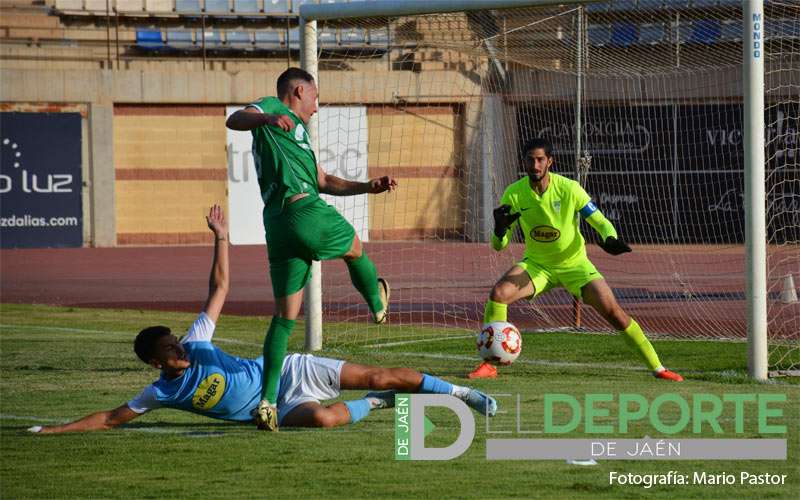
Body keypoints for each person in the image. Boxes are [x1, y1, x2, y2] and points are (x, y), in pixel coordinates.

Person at [29, 206, 496, 434]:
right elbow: (111, 418)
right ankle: (380, 404)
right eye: (171, 349)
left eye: (177, 340)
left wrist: (221, 237)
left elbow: (219, 289)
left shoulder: (198, 341)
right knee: (326, 420)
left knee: (378, 370)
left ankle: (465, 393)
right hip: (271, 411)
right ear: (157, 364)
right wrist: (52, 430)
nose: (181, 348)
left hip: (285, 372)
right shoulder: (160, 394)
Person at [225, 67, 397, 431]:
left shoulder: (298, 132)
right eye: (315, 98)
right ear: (300, 91)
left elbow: (324, 180)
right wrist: (267, 117)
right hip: (302, 210)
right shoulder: (271, 108)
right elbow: (235, 119)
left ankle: (268, 402)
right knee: (353, 246)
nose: (317, 108)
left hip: (278, 223)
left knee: (285, 317)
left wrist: (369, 186)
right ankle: (378, 305)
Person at [469, 138, 683, 382]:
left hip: (576, 265)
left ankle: (658, 367)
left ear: (550, 161)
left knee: (613, 312)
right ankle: (489, 364)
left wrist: (610, 237)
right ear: (524, 161)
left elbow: (599, 220)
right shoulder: (514, 194)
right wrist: (499, 229)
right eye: (530, 159)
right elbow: (499, 246)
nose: (535, 165)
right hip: (537, 266)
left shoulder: (569, 188)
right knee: (499, 294)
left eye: (540, 159)